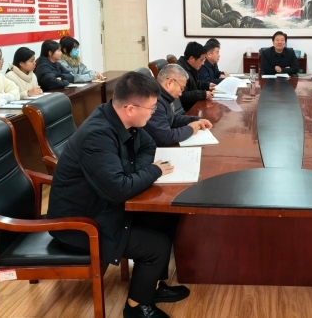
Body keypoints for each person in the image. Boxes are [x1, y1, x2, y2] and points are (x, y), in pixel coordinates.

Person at [46, 71, 189, 318]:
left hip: (101, 206)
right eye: (152, 108)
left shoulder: (121, 119)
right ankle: (136, 307)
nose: (154, 113)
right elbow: (119, 190)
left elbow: (148, 145)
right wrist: (152, 171)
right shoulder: (97, 135)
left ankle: (153, 286)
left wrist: (135, 173)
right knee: (156, 246)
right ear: (131, 109)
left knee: (165, 217)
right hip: (80, 224)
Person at [145, 64, 213, 146]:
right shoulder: (155, 101)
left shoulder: (163, 96)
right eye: (181, 88)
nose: (181, 93)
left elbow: (172, 119)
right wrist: (191, 129)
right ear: (169, 83)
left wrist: (196, 120)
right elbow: (165, 137)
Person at [177, 41, 215, 111]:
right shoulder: (179, 71)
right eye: (201, 60)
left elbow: (195, 84)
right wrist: (202, 94)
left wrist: (207, 85)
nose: (203, 63)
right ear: (192, 59)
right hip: (188, 109)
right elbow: (182, 95)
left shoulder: (191, 67)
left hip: (194, 105)